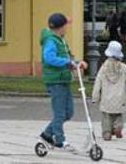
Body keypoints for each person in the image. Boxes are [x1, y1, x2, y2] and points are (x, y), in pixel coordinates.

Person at [38, 12, 88, 151]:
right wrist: (68, 62)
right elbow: (49, 58)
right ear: (61, 27)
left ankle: (47, 134)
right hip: (55, 81)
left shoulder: (60, 39)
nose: (67, 27)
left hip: (63, 79)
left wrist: (75, 63)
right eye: (66, 25)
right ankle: (59, 140)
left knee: (68, 113)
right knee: (60, 113)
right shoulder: (51, 41)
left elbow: (67, 58)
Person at [92, 41, 126, 141]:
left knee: (106, 117)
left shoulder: (103, 68)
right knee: (118, 115)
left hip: (106, 99)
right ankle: (118, 127)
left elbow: (97, 83)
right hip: (119, 98)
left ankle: (107, 132)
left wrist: (95, 97)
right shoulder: (123, 67)